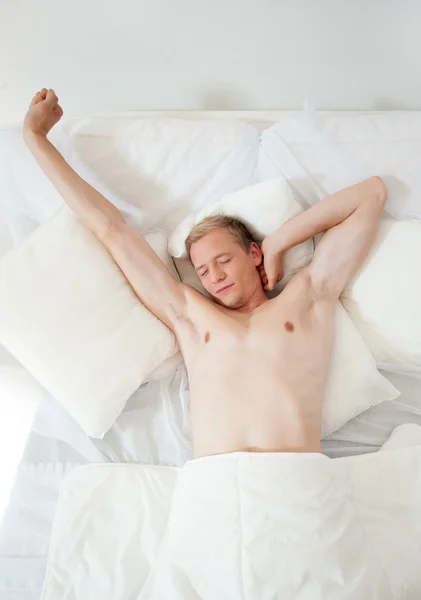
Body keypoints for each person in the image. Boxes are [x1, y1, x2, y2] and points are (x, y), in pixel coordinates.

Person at [23, 89, 387, 458]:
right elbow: (110, 229)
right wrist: (36, 139)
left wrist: (279, 242)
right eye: (202, 269)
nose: (213, 276)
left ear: (253, 253)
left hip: (293, 480)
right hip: (216, 487)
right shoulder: (191, 316)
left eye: (224, 260)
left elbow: (370, 195)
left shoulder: (306, 298)